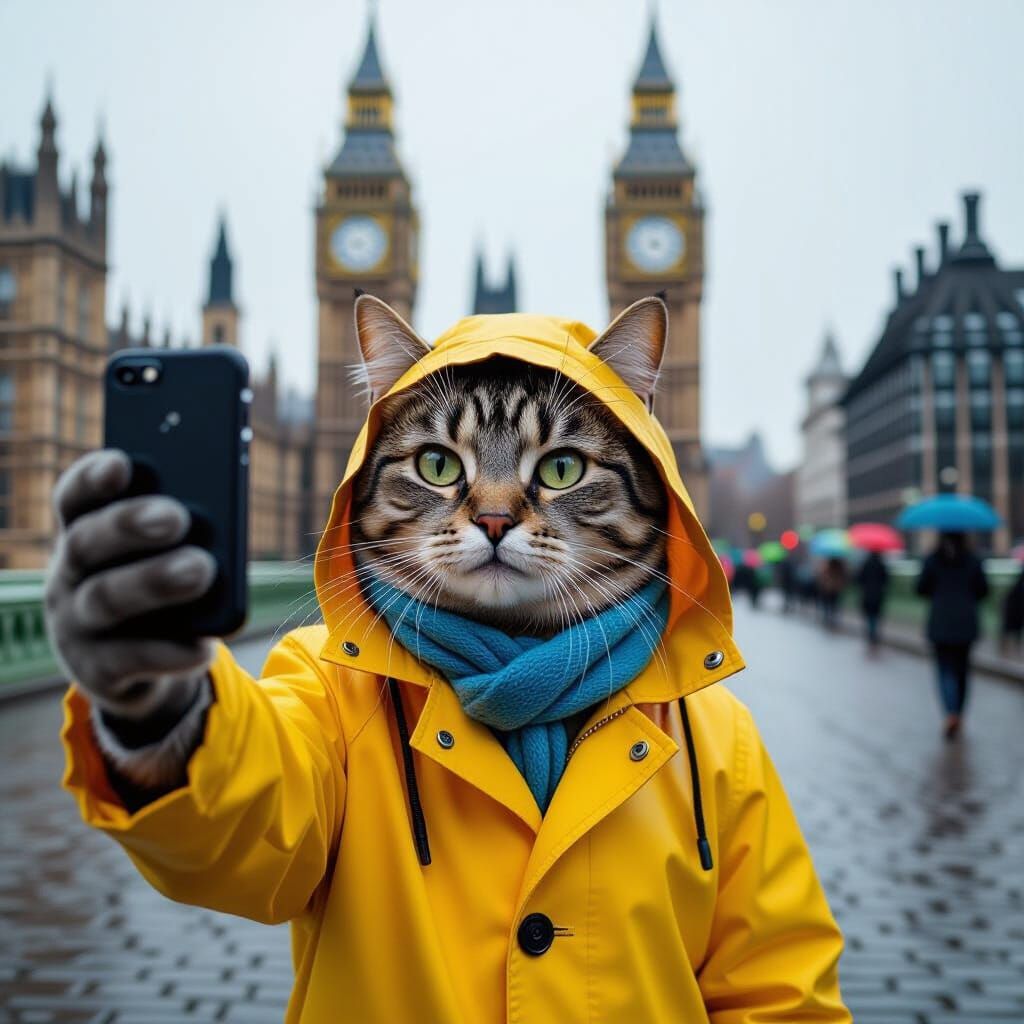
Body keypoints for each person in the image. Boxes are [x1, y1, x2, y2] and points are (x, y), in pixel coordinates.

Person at [46, 297, 850, 1021]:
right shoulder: (335, 688)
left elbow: (781, 994)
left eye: (559, 469)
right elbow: (243, 833)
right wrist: (162, 708)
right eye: (439, 467)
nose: (495, 513)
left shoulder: (717, 739)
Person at [916, 531, 989, 739]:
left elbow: (920, 588)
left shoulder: (932, 559)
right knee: (963, 671)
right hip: (966, 622)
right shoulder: (973, 559)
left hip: (941, 622)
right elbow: (984, 590)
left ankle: (950, 713)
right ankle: (959, 714)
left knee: (944, 669)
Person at [855, 551, 890, 652]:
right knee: (875, 617)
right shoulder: (881, 564)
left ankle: (871, 635)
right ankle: (874, 635)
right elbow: (886, 580)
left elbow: (859, 579)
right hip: (878, 595)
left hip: (867, 595)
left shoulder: (865, 564)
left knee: (869, 617)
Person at [817, 557, 848, 630]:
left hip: (828, 588)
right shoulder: (840, 566)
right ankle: (832, 619)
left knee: (828, 604)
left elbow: (822, 577)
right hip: (835, 589)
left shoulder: (827, 566)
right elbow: (844, 577)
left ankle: (827, 618)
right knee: (834, 605)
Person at [1000, 564, 1024, 656]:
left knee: (1013, 629)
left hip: (1017, 605)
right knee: (1009, 628)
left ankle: (1012, 650)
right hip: (1014, 606)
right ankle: (1006, 650)